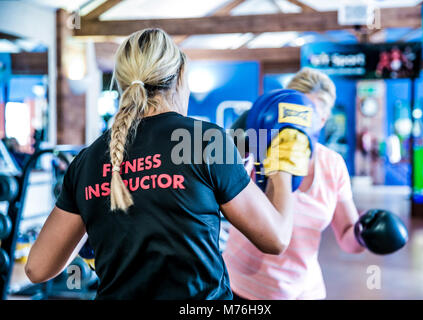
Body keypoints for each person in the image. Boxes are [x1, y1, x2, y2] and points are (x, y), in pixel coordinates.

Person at [24, 28, 296, 300]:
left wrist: (92, 233)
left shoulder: (86, 160)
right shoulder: (205, 140)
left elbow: (37, 268)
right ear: (179, 78)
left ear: (121, 84)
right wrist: (283, 163)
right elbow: (276, 238)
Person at [223, 67, 365, 300]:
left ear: (322, 119)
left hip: (305, 291)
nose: (298, 126)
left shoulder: (332, 165)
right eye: (294, 113)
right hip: (243, 288)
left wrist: (365, 234)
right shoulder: (254, 151)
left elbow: (348, 239)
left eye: (308, 115)